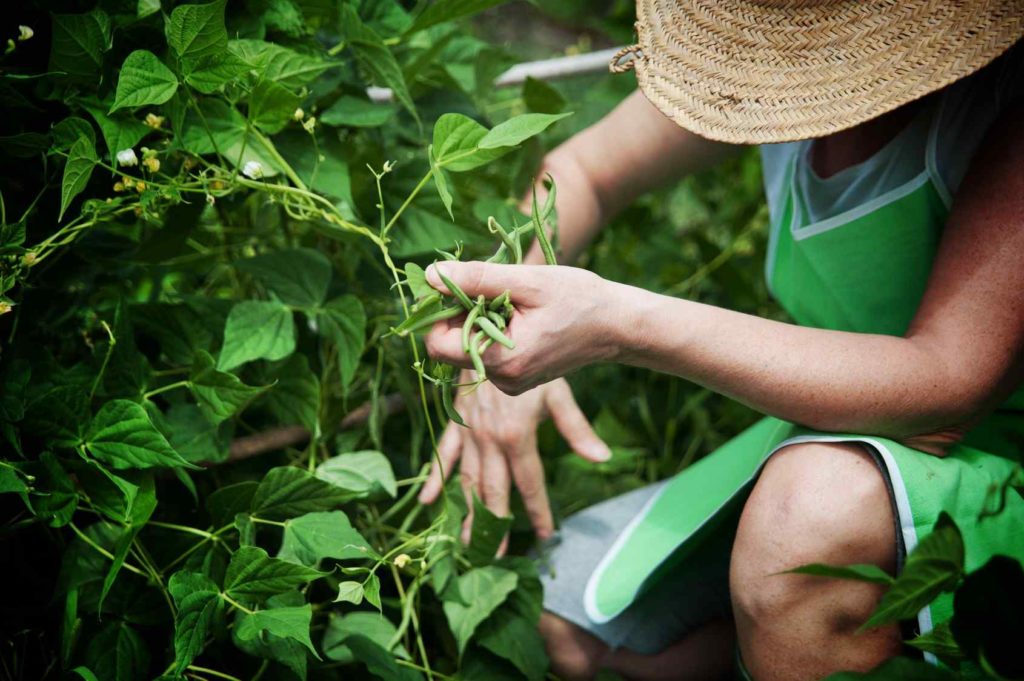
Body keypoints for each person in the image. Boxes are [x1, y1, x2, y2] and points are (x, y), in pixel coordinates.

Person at [419, 1, 1024, 679]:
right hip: (837, 426)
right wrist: (497, 326)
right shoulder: (769, 73)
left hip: (982, 459)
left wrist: (621, 325)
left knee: (808, 516)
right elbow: (585, 171)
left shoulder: (997, 107)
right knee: (553, 613)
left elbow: (947, 385)